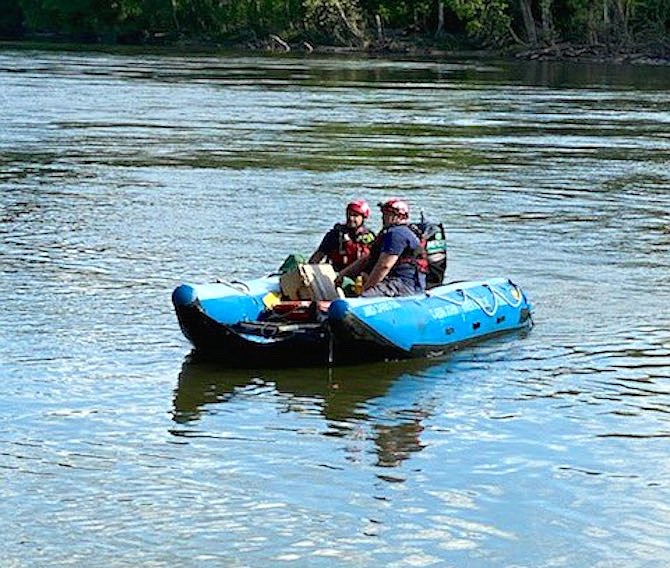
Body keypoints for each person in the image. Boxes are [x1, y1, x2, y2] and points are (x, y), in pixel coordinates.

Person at [337, 198, 427, 297]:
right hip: (399, 282)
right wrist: (342, 275)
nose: (383, 217)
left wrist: (365, 290)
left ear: (399, 216)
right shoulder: (394, 232)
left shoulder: (397, 234)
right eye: (383, 213)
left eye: (387, 214)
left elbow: (384, 266)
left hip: (404, 285)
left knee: (365, 297)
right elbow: (366, 259)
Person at [308, 199, 376, 272]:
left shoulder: (370, 237)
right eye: (349, 214)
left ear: (363, 218)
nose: (351, 218)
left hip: (361, 276)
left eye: (355, 215)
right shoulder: (335, 234)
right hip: (337, 273)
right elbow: (318, 256)